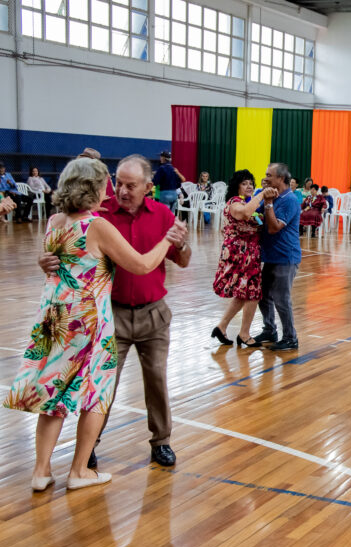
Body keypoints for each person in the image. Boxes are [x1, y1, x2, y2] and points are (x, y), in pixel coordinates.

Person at [5, 158, 174, 491]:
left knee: (54, 392)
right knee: (97, 393)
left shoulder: (55, 221)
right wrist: (168, 241)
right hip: (88, 322)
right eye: (106, 185)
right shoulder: (97, 226)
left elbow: (55, 261)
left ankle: (41, 471)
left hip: (55, 319)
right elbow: (140, 265)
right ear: (95, 188)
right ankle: (80, 470)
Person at [36, 154, 190, 470]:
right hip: (111, 317)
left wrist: (182, 244)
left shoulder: (162, 214)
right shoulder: (100, 216)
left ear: (148, 187)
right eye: (118, 182)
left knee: (157, 381)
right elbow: (68, 256)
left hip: (153, 315)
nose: (121, 190)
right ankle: (88, 449)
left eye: (130, 185)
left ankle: (161, 441)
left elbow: (182, 260)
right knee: (101, 387)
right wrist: (46, 261)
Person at [211, 170, 267, 348]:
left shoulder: (246, 203)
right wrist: (262, 195)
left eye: (251, 183)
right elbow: (243, 214)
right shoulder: (235, 202)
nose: (249, 186)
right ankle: (244, 334)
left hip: (249, 252)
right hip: (240, 253)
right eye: (245, 183)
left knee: (244, 294)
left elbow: (253, 221)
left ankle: (222, 327)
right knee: (252, 293)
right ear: (237, 186)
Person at [252, 163, 302, 352]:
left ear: (281, 178)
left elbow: (273, 228)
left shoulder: (289, 200)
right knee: (262, 295)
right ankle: (270, 330)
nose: (265, 178)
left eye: (269, 175)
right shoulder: (269, 194)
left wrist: (268, 203)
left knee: (281, 298)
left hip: (285, 257)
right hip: (271, 256)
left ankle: (290, 338)